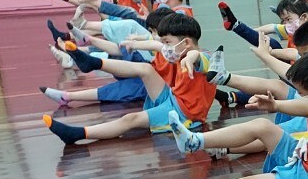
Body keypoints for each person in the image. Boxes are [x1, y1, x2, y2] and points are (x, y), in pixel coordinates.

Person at [131, 51, 308, 179]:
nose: (295, 94)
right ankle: (194, 141)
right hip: (305, 155)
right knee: (261, 125)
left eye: (299, 92)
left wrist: (277, 106)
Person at [42, 13, 216, 144]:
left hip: (184, 114)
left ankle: (79, 133)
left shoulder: (204, 58)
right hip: (172, 98)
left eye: (167, 43)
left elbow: (199, 57)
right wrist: (134, 44)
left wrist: (192, 57)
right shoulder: (176, 50)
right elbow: (155, 44)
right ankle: (94, 63)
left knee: (130, 119)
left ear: (185, 43)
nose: (165, 48)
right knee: (146, 69)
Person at [40, 6, 177, 104]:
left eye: (154, 31)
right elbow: (153, 43)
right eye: (151, 32)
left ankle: (68, 96)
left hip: (156, 86)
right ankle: (88, 41)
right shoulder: (163, 44)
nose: (152, 35)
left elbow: (156, 44)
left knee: (120, 88)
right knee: (124, 50)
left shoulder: (171, 49)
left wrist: (137, 42)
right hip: (149, 73)